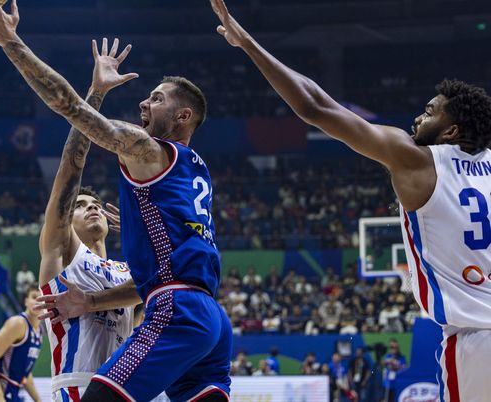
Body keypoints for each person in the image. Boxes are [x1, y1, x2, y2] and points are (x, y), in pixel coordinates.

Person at [209, 0, 491, 400]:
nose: (417, 119)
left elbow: (315, 107)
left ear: (451, 131)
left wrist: (248, 44)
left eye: (429, 113)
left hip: (475, 342)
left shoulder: (417, 159)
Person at [0, 1, 232, 400]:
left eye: (157, 99)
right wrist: (90, 300)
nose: (143, 103)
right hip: (208, 315)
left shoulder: (148, 151)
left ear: (183, 116)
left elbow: (68, 107)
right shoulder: (197, 169)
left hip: (177, 306)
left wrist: (11, 41)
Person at [35, 38, 137, 401]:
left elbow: (169, 282)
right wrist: (95, 94)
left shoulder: (129, 272)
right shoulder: (63, 252)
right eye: (80, 205)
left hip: (124, 389)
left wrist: (142, 235)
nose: (91, 207)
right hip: (77, 387)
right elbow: (70, 167)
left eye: (96, 203)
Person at [0, 285, 42, 402]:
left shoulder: (39, 332)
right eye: (34, 297)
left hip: (13, 390)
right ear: (26, 301)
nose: (38, 301)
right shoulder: (18, 323)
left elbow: (25, 374)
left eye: (42, 298)